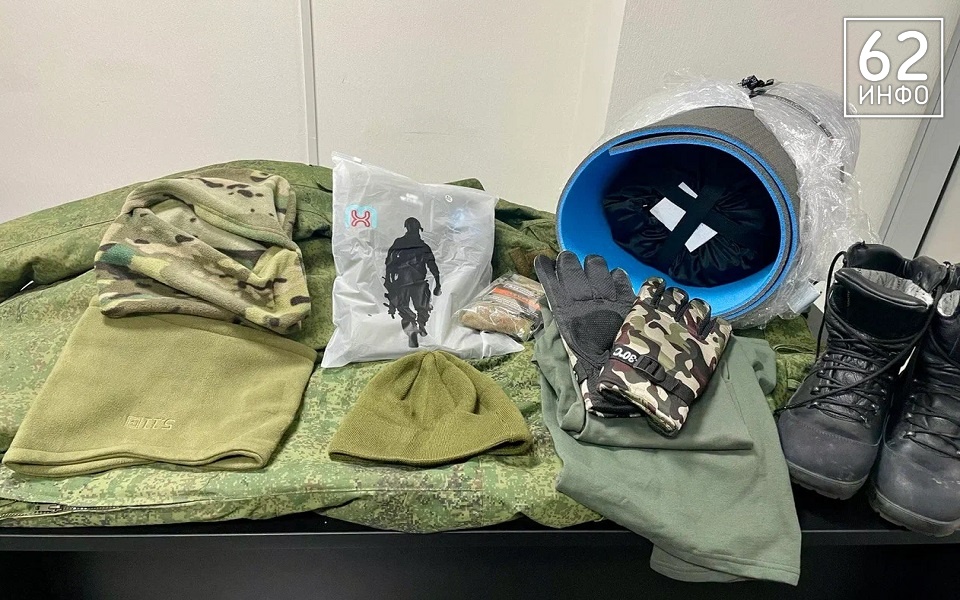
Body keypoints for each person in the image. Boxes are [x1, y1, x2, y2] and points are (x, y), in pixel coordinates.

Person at [384, 217, 442, 347]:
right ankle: (415, 328)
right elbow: (389, 262)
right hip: (409, 283)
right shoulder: (416, 245)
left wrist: (438, 283)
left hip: (411, 283)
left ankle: (418, 326)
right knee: (410, 307)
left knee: (418, 308)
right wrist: (388, 280)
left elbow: (432, 265)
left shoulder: (419, 246)